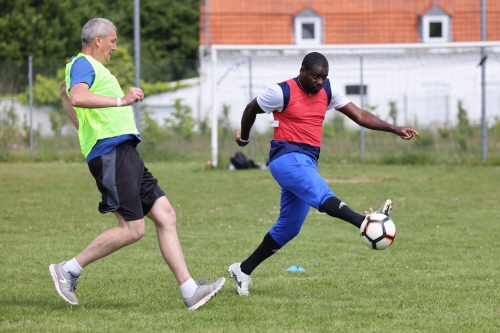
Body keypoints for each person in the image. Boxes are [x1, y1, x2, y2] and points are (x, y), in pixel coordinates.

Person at [50, 17, 225, 310]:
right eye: (113, 41)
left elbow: (78, 109)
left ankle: (190, 290)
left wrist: (69, 101)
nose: (115, 47)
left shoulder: (90, 70)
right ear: (98, 40)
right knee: (132, 228)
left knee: (166, 215)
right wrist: (122, 100)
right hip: (112, 154)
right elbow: (78, 97)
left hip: (122, 152)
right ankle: (68, 269)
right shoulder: (84, 64)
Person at [227, 52, 419, 296]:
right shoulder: (280, 91)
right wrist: (243, 137)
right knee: (322, 195)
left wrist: (394, 128)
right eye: (315, 76)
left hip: (307, 161)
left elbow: (359, 115)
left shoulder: (328, 90)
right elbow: (250, 108)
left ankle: (243, 270)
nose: (319, 82)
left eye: (324, 77)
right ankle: (365, 221)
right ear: (302, 71)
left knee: (289, 228)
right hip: (285, 158)